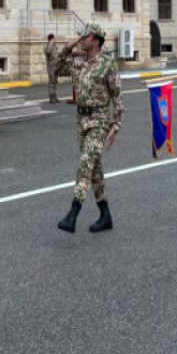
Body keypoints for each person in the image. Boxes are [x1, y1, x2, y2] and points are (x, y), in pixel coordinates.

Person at [54, 22, 123, 234]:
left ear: (96, 41)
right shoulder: (79, 63)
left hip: (99, 122)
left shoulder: (108, 65)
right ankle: (106, 216)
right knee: (94, 171)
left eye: (86, 37)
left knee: (85, 164)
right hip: (81, 122)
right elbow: (55, 69)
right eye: (81, 37)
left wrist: (116, 125)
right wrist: (67, 47)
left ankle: (73, 214)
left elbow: (117, 98)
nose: (82, 39)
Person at [44, 33, 61, 104]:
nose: (55, 40)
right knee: (51, 82)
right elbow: (47, 52)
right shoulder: (48, 46)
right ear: (51, 39)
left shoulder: (54, 47)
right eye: (54, 39)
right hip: (51, 67)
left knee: (55, 82)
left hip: (56, 66)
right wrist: (50, 44)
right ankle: (51, 98)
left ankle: (55, 96)